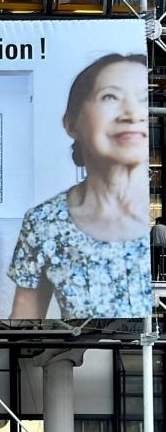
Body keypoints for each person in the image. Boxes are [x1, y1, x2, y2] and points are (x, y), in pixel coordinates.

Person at [9, 54, 151, 320]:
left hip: (144, 353)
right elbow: (23, 326)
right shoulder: (44, 222)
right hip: (74, 355)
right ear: (71, 123)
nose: (132, 114)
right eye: (110, 97)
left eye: (145, 99)